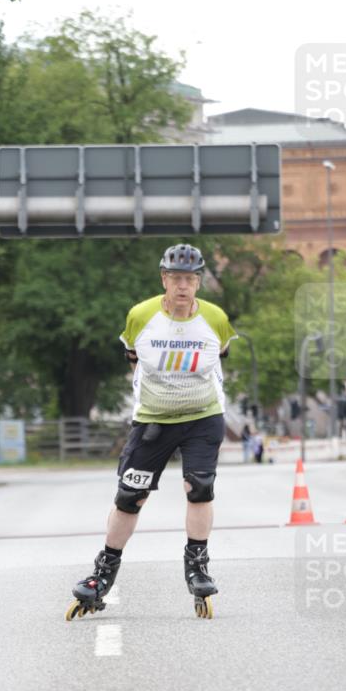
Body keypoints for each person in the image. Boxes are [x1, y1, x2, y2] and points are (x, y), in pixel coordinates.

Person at [66, 243, 237, 619]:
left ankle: (197, 567)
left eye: (190, 279)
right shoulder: (141, 316)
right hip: (153, 420)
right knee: (131, 495)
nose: (182, 286)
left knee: (200, 487)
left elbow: (221, 353)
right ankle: (102, 574)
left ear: (198, 283)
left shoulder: (216, 319)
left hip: (203, 417)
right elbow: (132, 357)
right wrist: (157, 397)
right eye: (175, 278)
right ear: (164, 280)